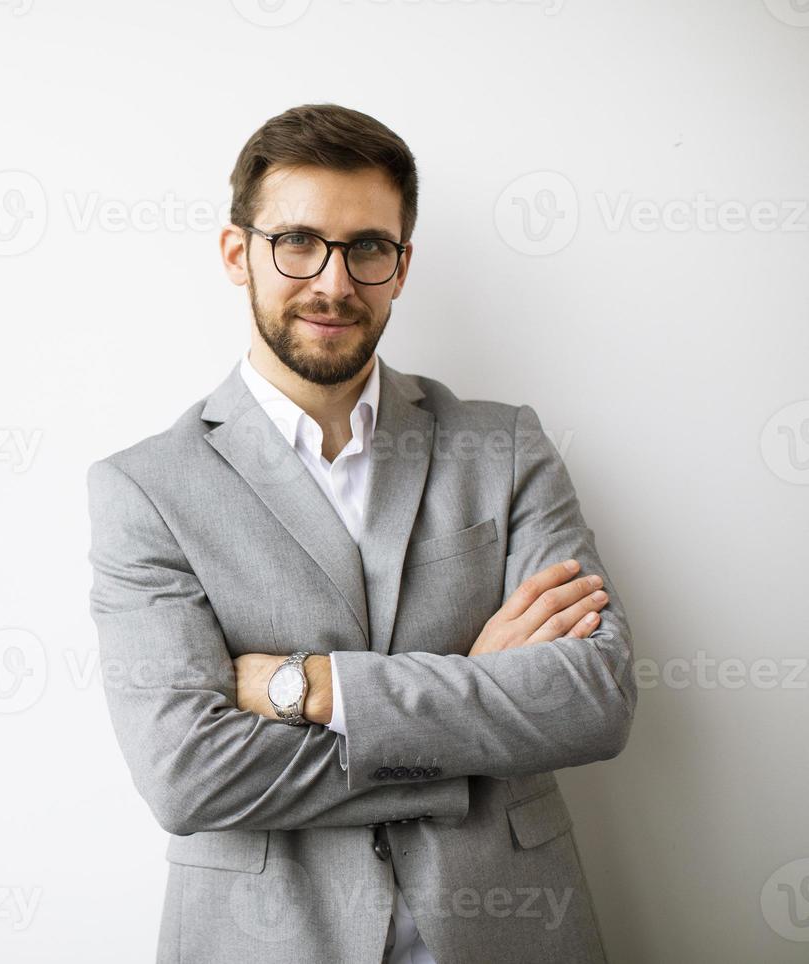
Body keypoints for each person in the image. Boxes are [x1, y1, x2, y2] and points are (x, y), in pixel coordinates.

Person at [84, 103, 635, 963]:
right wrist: (472, 703)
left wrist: (310, 689)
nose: (334, 283)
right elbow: (187, 774)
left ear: (402, 265)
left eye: (368, 248)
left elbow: (592, 699)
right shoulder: (144, 490)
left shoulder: (504, 443)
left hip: (514, 930)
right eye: (297, 242)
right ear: (240, 253)